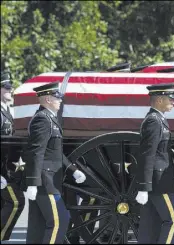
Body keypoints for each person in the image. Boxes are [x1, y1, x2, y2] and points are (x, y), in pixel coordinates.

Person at [22, 82, 87, 244]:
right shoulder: (42, 120)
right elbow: (36, 152)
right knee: (60, 220)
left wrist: (73, 169)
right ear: (48, 99)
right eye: (57, 98)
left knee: (38, 226)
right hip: (45, 181)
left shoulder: (50, 119)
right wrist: (33, 182)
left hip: (48, 179)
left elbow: (55, 152)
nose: (60, 101)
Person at [135, 82, 174, 244]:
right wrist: (144, 186)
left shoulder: (159, 119)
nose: (173, 102)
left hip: (159, 180)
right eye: (170, 99)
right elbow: (147, 154)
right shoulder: (154, 121)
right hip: (158, 182)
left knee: (150, 225)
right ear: (159, 100)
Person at [1, 71, 26, 241]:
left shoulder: (8, 111)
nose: (11, 90)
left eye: (11, 87)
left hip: (9, 170)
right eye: (6, 88)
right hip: (3, 172)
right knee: (16, 202)